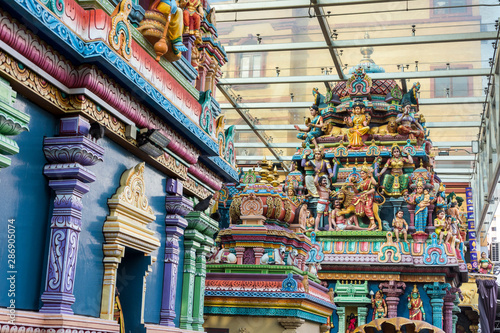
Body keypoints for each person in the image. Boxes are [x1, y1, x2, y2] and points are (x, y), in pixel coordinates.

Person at [350, 165, 378, 230]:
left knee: (367, 208)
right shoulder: (362, 182)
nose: (361, 175)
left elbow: (373, 188)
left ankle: (373, 223)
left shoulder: (369, 180)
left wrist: (371, 176)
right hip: (362, 196)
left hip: (369, 196)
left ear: (366, 174)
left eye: (363, 173)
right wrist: (353, 186)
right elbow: (356, 191)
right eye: (361, 173)